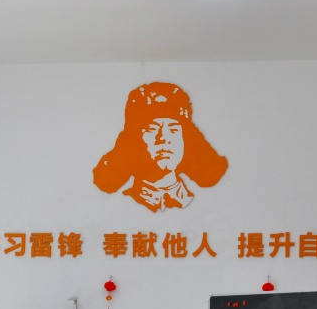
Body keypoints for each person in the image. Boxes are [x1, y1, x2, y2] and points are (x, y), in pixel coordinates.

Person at [92, 82, 229, 213]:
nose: (164, 138)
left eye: (173, 129)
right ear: (135, 140)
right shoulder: (122, 204)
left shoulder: (203, 203)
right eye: (152, 129)